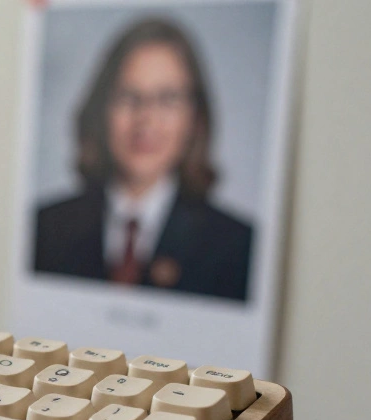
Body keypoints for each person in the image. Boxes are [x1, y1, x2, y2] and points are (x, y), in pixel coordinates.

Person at [34, 18, 253, 301]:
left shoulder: (237, 246)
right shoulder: (44, 229)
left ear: (194, 118)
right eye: (128, 96)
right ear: (101, 110)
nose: (146, 119)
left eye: (167, 99)